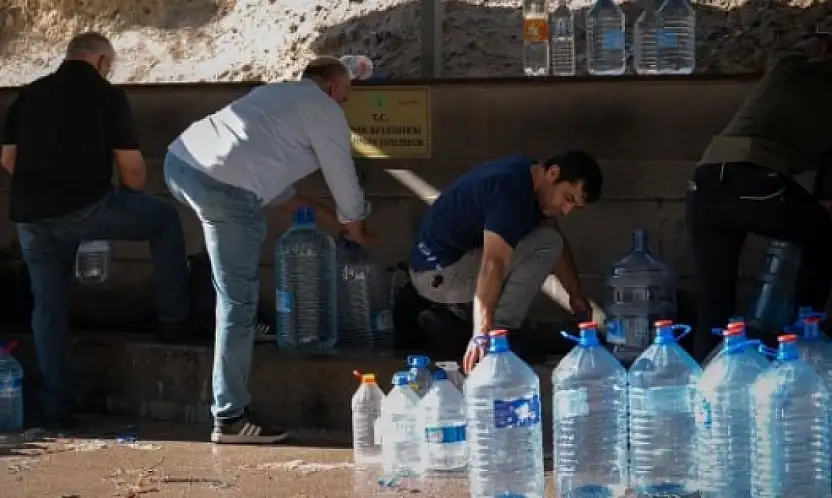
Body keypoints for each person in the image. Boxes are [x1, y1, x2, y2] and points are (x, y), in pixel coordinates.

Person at [163, 56, 376, 444]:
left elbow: (268, 183)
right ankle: (229, 417)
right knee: (236, 301)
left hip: (179, 163)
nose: (346, 100)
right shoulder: (325, 108)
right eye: (346, 92)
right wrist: (356, 223)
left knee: (236, 269)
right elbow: (344, 180)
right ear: (332, 87)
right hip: (220, 187)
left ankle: (241, 332)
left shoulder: (275, 95)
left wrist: (333, 219)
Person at [0, 32, 191, 428]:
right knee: (165, 220)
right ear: (102, 60)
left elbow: (8, 160)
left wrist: (45, 185)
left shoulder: (29, 94)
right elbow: (135, 175)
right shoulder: (107, 96)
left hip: (31, 215)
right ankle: (175, 322)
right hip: (87, 206)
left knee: (47, 305)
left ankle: (56, 404)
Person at [687, 32, 832, 362]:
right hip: (752, 177)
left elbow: (797, 48)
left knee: (713, 306)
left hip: (703, 181)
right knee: (824, 236)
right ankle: (805, 335)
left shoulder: (786, 63)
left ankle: (705, 391)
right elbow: (826, 202)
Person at [408, 152, 604, 373]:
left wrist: (576, 296)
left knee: (547, 238)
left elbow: (550, 228)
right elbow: (493, 263)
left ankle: (460, 317)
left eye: (575, 207)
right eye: (568, 198)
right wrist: (482, 334)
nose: (567, 211)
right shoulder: (511, 193)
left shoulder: (527, 173)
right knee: (546, 244)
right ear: (553, 173)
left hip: (439, 269)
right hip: (438, 274)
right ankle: (500, 336)